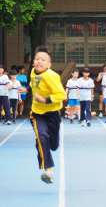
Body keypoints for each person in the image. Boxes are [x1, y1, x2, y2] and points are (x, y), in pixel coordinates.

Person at [29, 46, 66, 184]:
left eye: (43, 60)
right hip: (37, 113)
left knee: (54, 145)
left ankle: (45, 143)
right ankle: (48, 170)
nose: (39, 61)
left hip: (53, 113)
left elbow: (62, 94)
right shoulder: (33, 72)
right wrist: (27, 89)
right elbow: (34, 85)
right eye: (37, 59)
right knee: (42, 137)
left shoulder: (52, 76)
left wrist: (46, 99)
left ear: (49, 64)